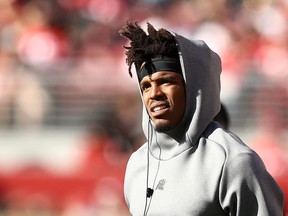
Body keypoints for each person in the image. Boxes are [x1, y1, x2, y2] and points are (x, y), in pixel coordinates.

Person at [119, 20, 283, 216]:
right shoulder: (137, 163)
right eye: (146, 86)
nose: (154, 94)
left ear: (194, 87)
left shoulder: (233, 161)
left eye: (166, 81)